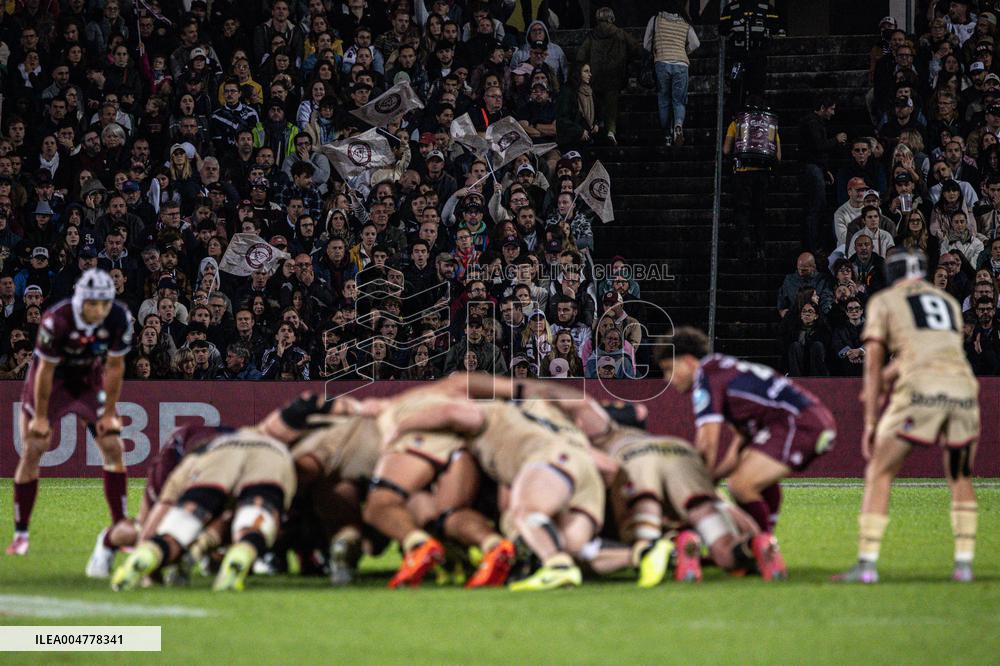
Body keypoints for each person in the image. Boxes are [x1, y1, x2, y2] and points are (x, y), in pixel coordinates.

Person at [834, 249, 980, 584]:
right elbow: (933, 348)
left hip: (920, 391)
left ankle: (867, 563)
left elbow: (872, 364)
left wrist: (870, 420)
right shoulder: (948, 304)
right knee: (960, 474)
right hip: (962, 390)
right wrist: (890, 375)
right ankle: (964, 565)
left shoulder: (885, 301)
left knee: (880, 472)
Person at [656, 327, 838, 580]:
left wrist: (695, 486)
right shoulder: (723, 371)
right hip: (805, 420)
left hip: (798, 423)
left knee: (741, 485)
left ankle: (762, 549)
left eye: (669, 368)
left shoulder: (705, 378)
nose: (668, 378)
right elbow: (738, 445)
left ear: (688, 361)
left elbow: (707, 443)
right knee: (753, 481)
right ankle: (760, 545)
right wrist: (714, 477)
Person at [6, 269, 134, 581]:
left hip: (90, 382)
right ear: (81, 300)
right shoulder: (56, 320)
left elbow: (116, 366)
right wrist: (39, 416)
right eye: (94, 303)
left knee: (113, 446)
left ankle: (120, 526)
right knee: (34, 448)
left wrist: (109, 412)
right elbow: (45, 371)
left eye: (105, 303)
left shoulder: (120, 317)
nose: (100, 310)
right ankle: (21, 534)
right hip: (53, 382)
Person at [723, 100, 782, 259]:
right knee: (760, 211)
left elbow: (726, 149)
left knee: (742, 209)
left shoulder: (736, 123)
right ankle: (760, 247)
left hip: (742, 172)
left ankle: (744, 241)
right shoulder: (771, 124)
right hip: (762, 174)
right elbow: (778, 156)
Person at [575, 7, 643, 144]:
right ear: (611, 18)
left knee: (597, 103)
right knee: (611, 104)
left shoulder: (592, 35)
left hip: (595, 77)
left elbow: (580, 55)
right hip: (615, 76)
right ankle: (611, 131)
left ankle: (597, 127)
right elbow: (637, 49)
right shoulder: (620, 33)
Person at [643, 0, 700, 146]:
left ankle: (667, 134)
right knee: (679, 101)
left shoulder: (655, 19)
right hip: (681, 64)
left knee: (664, 99)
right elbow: (696, 43)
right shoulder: (685, 22)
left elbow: (646, 44)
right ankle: (678, 126)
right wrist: (683, 52)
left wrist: (657, 51)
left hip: (662, 62)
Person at [799, 95, 848, 251]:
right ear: (822, 107)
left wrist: (825, 169)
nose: (833, 113)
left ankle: (813, 245)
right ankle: (812, 247)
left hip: (816, 168)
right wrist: (836, 139)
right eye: (831, 109)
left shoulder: (814, 122)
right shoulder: (812, 122)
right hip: (811, 169)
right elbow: (818, 146)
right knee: (816, 207)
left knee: (817, 208)